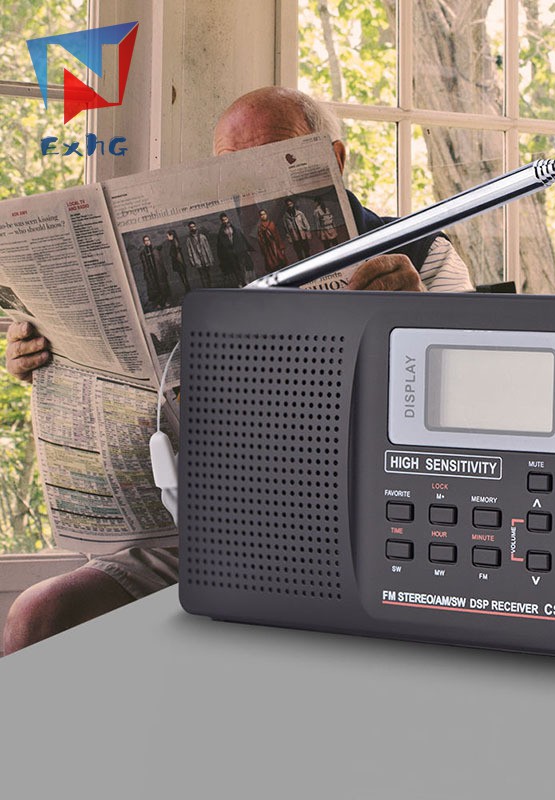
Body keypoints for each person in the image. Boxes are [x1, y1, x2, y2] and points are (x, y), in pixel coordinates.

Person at [2, 87, 473, 655]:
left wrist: (414, 324)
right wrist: (48, 356)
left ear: (334, 158)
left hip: (352, 534)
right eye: (230, 168)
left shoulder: (422, 256)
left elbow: (470, 414)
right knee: (40, 615)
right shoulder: (202, 255)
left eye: (271, 158)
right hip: (203, 529)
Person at [216, 212, 254, 287]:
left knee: (242, 266)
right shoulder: (221, 232)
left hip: (238, 251)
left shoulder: (234, 229)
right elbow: (221, 245)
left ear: (228, 219)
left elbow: (240, 238)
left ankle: (245, 281)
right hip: (230, 253)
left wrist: (244, 249)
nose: (225, 221)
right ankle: (240, 282)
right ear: (221, 221)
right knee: (235, 268)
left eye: (226, 219)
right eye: (223, 220)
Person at [139, 234, 172, 309]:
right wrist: (147, 274)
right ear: (144, 242)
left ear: (150, 240)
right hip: (151, 273)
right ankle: (159, 303)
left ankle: (165, 302)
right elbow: (144, 264)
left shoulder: (155, 249)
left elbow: (160, 260)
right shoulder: (143, 253)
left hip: (159, 271)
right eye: (145, 241)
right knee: (155, 288)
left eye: (148, 240)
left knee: (162, 286)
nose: (147, 242)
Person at [256, 207, 288, 274]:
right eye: (261, 215)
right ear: (260, 217)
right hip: (268, 248)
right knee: (273, 264)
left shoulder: (271, 224)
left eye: (264, 214)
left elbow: (277, 235)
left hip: (276, 246)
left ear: (266, 214)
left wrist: (281, 247)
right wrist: (264, 250)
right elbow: (260, 240)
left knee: (281, 260)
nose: (263, 216)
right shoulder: (260, 228)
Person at [184, 221, 214, 288]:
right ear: (189, 228)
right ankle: (206, 289)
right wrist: (192, 262)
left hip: (205, 258)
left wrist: (210, 258)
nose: (193, 228)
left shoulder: (202, 237)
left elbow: (208, 248)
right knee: (202, 276)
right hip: (197, 260)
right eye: (191, 227)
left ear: (196, 226)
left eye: (194, 226)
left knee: (208, 275)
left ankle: (211, 288)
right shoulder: (189, 240)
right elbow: (189, 252)